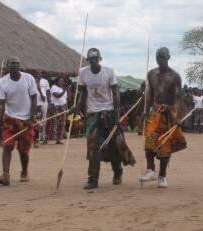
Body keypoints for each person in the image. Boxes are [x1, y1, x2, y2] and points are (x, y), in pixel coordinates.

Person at [76, 48, 135, 190]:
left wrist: (116, 113)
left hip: (109, 112)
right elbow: (83, 94)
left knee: (114, 144)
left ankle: (118, 172)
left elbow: (115, 93)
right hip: (93, 114)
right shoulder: (83, 72)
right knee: (92, 146)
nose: (94, 62)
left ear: (100, 59)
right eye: (91, 59)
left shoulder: (108, 72)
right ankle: (93, 179)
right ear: (88, 60)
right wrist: (78, 107)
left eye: (96, 59)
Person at [140, 47, 187, 188]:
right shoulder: (151, 74)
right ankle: (150, 170)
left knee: (165, 144)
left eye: (162, 57)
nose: (160, 60)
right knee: (149, 139)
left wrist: (178, 116)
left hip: (170, 113)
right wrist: (145, 110)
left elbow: (179, 98)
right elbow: (149, 94)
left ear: (168, 57)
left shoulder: (175, 76)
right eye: (158, 57)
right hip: (155, 111)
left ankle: (162, 176)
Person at [0, 57, 39, 186]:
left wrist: (31, 118)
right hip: (10, 119)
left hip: (26, 120)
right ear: (8, 67)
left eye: (17, 63)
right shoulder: (3, 82)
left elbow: (34, 99)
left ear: (20, 66)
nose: (14, 65)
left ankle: (24, 171)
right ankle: (5, 175)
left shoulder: (28, 78)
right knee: (7, 145)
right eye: (12, 64)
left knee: (23, 151)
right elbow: (1, 103)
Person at [33, 71, 51, 144]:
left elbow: (48, 92)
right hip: (36, 103)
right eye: (37, 73)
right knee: (38, 120)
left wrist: (49, 102)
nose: (39, 74)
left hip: (44, 102)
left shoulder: (45, 81)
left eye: (40, 73)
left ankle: (43, 137)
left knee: (44, 120)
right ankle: (38, 137)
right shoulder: (32, 81)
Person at [49, 77, 68, 144]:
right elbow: (57, 96)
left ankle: (58, 139)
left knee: (62, 123)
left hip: (63, 107)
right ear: (56, 81)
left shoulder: (63, 89)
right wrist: (64, 90)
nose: (61, 82)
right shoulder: (54, 87)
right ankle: (48, 138)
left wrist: (66, 107)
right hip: (55, 106)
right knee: (54, 122)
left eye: (62, 81)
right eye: (60, 81)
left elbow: (65, 99)